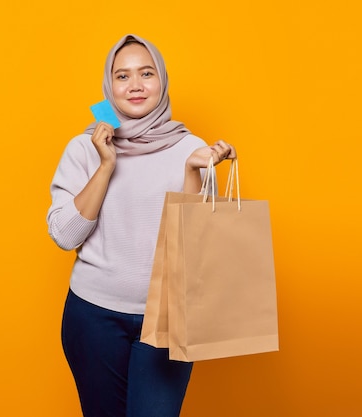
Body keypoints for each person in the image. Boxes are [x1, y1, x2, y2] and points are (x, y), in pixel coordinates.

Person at [46, 34, 235, 417]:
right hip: (93, 317)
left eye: (146, 73)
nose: (135, 85)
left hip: (168, 319)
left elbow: (198, 250)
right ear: (108, 86)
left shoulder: (190, 148)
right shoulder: (85, 148)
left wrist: (193, 172)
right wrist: (106, 166)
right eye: (122, 76)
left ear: (162, 80)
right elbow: (66, 236)